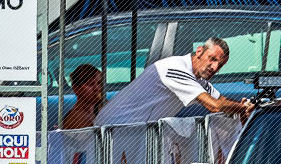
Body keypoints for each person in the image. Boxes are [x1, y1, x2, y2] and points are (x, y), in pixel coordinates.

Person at [94, 38, 253, 126]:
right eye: (212, 59)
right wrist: (242, 109)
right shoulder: (176, 68)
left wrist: (245, 105)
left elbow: (221, 100)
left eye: (220, 65)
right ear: (199, 51)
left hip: (134, 131)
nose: (215, 67)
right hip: (112, 129)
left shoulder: (199, 79)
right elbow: (214, 106)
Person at [60, 64, 106, 130]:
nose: (97, 88)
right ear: (76, 89)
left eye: (99, 83)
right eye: (90, 84)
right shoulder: (75, 118)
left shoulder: (101, 109)